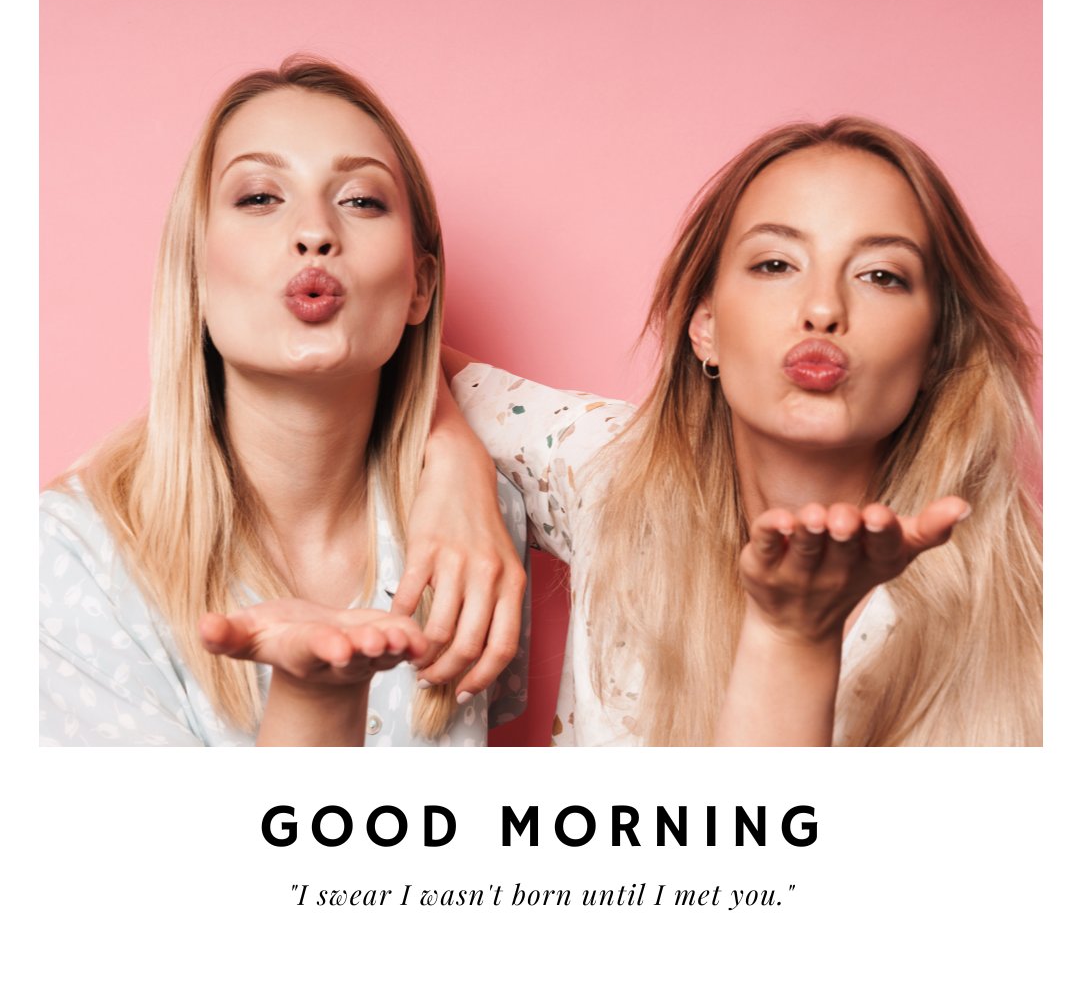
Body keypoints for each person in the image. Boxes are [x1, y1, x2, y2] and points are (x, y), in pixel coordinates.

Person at [441, 117, 1042, 746]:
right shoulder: (608, 475)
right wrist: (452, 453)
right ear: (706, 327)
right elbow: (398, 343)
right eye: (776, 264)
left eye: (881, 275)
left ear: (936, 349)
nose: (823, 309)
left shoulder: (1031, 615)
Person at [39, 57, 528, 747]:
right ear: (193, 273)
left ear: (419, 287)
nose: (315, 231)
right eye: (260, 198)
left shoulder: (477, 518)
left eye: (361, 200)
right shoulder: (68, 556)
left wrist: (458, 454)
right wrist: (317, 695)